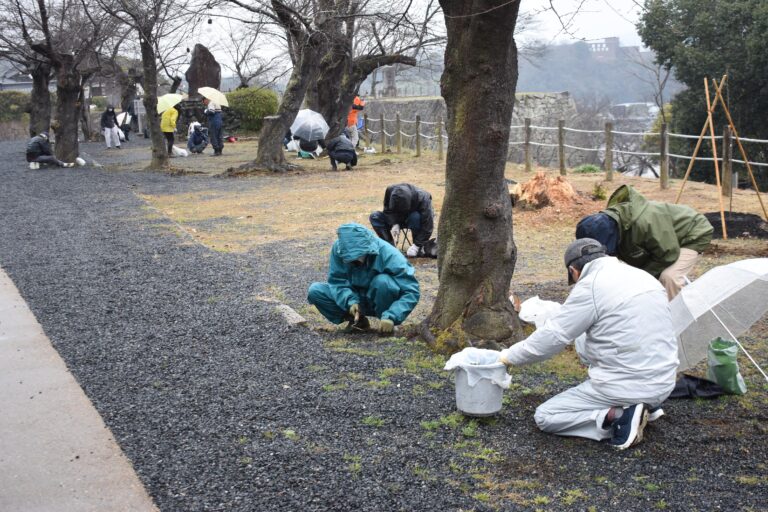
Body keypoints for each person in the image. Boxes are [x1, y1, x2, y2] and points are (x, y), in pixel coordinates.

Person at [498, 238, 678, 450]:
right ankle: (648, 405)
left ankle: (618, 416)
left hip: (626, 384)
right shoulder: (642, 276)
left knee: (546, 416)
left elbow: (553, 337)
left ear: (574, 270)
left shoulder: (591, 286)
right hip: (665, 379)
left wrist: (508, 356)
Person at [576, 184, 713, 299]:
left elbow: (668, 254)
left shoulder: (644, 223)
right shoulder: (610, 227)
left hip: (691, 233)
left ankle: (675, 319)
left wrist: (641, 277)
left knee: (669, 277)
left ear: (614, 234)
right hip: (665, 241)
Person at [307, 223, 420, 335]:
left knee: (383, 281)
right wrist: (350, 301)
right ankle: (358, 322)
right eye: (349, 258)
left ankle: (386, 324)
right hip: (356, 297)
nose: (353, 261)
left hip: (380, 297)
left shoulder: (389, 254)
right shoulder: (338, 249)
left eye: (357, 257)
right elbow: (337, 280)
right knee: (316, 291)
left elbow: (411, 291)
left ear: (368, 249)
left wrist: (392, 315)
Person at [369, 183, 434, 257]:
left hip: (413, 220)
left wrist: (417, 245)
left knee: (415, 216)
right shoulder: (390, 190)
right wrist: (394, 223)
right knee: (375, 216)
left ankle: (418, 249)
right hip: (397, 219)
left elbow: (428, 226)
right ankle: (390, 248)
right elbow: (387, 210)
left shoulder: (423, 198)